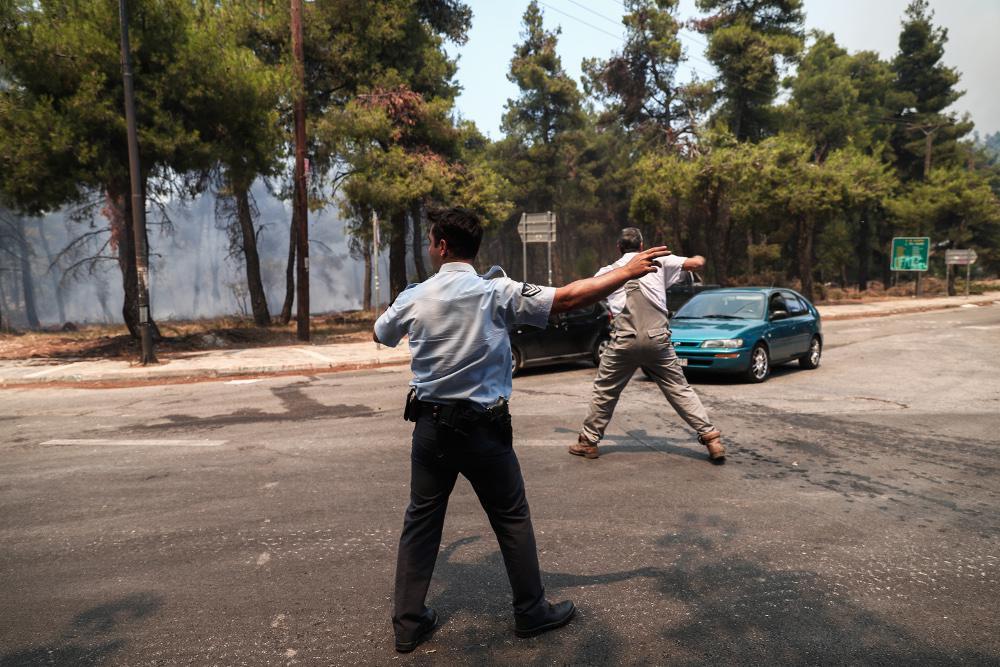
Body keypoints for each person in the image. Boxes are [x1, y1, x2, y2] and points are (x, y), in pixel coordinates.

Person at [374, 208, 671, 653]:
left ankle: (409, 623)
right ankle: (530, 612)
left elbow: (382, 333)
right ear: (474, 250)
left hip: (431, 429)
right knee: (511, 519)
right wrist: (625, 272)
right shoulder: (496, 292)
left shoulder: (416, 296)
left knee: (421, 522)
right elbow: (570, 297)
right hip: (485, 431)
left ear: (440, 247)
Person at [568, 227, 726, 463]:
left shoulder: (607, 271)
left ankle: (588, 442)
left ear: (618, 248)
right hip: (657, 339)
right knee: (678, 388)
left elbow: (587, 293)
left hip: (624, 340)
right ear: (642, 246)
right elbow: (694, 265)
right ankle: (710, 437)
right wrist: (700, 258)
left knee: (605, 391)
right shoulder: (660, 260)